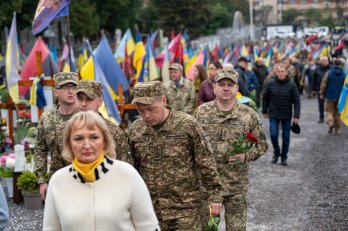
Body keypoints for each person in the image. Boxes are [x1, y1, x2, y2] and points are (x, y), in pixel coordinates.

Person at [128, 81, 223, 230]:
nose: (146, 115)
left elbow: (206, 162)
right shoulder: (136, 130)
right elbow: (132, 169)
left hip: (185, 208)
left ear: (163, 101)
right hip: (151, 210)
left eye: (151, 109)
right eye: (141, 111)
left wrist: (215, 197)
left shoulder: (187, 124)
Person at [43, 111, 159, 231]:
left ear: (104, 141)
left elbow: (148, 226)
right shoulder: (58, 181)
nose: (87, 145)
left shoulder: (128, 175)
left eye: (94, 137)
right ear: (69, 143)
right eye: (78, 139)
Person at [194, 69, 268, 231]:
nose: (226, 88)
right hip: (208, 186)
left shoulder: (248, 115)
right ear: (213, 87)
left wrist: (246, 155)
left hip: (236, 186)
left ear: (237, 88)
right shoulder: (202, 113)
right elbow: (192, 145)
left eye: (230, 85)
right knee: (207, 229)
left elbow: (262, 144)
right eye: (221, 84)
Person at [50, 80, 131, 184]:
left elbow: (124, 170)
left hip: (105, 190)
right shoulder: (63, 131)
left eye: (89, 99)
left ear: (99, 101)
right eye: (80, 99)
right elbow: (56, 169)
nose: (83, 104)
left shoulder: (115, 132)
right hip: (72, 190)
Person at [34, 72, 78, 200]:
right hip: (58, 178)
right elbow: (40, 148)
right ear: (56, 92)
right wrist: (42, 181)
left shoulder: (85, 115)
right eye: (65, 87)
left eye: (74, 87)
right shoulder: (47, 118)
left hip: (84, 176)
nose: (71, 91)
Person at [262, 62, 301, 165]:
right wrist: (264, 111)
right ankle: (276, 152)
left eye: (282, 71)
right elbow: (265, 97)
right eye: (279, 71)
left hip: (286, 114)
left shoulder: (292, 84)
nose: (280, 73)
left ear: (286, 72)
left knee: (286, 137)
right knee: (273, 135)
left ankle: (284, 157)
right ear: (276, 72)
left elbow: (297, 100)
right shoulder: (271, 83)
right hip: (273, 114)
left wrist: (296, 116)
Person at [319, 58, 346, 134]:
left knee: (329, 111)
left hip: (330, 96)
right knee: (337, 112)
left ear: (333, 64)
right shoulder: (344, 74)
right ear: (340, 65)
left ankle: (330, 123)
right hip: (340, 97)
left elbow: (323, 84)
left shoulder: (329, 73)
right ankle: (337, 130)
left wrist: (321, 93)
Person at [313, 56, 330, 123]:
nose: (324, 62)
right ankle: (321, 117)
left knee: (329, 104)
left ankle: (330, 117)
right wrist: (313, 90)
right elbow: (314, 80)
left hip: (329, 89)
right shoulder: (317, 69)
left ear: (328, 61)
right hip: (320, 89)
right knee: (321, 104)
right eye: (323, 60)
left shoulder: (331, 68)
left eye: (325, 60)